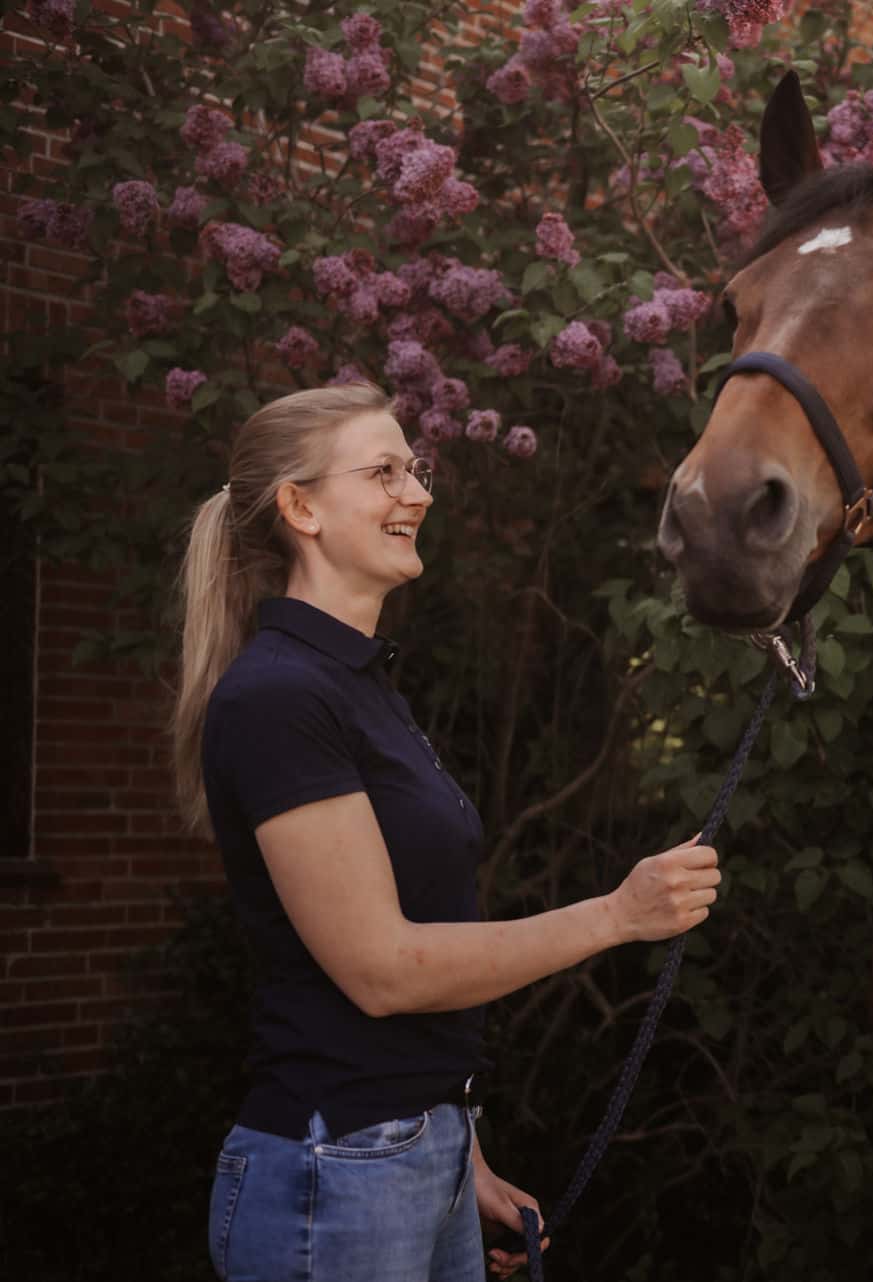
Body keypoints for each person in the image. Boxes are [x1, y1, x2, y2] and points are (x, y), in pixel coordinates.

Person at [172, 384, 722, 1282]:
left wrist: (457, 1153)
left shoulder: (361, 687)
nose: (419, 493)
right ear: (301, 507)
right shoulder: (280, 696)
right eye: (384, 472)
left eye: (416, 470)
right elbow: (382, 971)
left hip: (416, 1156)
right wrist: (619, 916)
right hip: (335, 1172)